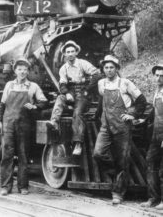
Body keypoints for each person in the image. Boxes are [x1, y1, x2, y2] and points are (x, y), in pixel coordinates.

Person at [93, 55, 146, 205]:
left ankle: (118, 193)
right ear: (103, 70)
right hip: (106, 126)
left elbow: (142, 101)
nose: (109, 70)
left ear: (117, 69)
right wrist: (96, 116)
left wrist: (132, 114)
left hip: (122, 127)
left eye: (112, 67)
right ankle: (117, 174)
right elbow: (101, 102)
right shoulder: (101, 83)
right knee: (98, 154)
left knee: (122, 160)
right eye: (106, 68)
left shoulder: (125, 83)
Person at [0, 58, 48, 196]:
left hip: (24, 125)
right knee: (7, 155)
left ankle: (23, 186)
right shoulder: (9, 85)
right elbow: (1, 105)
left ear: (28, 71)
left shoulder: (33, 86)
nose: (22, 72)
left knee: (23, 155)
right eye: (20, 69)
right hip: (8, 124)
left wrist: (35, 106)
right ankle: (5, 186)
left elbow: (44, 102)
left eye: (25, 69)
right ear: (15, 71)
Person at [46, 40, 100, 156]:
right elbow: (62, 84)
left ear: (76, 52)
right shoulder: (63, 68)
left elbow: (97, 75)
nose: (70, 54)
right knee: (60, 98)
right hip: (71, 91)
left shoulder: (83, 63)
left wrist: (87, 89)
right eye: (67, 52)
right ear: (64, 54)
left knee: (78, 112)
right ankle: (54, 121)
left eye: (72, 51)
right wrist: (67, 93)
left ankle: (78, 143)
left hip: (83, 92)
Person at [141, 62, 163, 210]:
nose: (159, 78)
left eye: (162, 76)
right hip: (156, 134)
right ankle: (153, 198)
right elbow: (155, 111)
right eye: (157, 75)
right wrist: (142, 119)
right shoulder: (157, 91)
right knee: (150, 163)